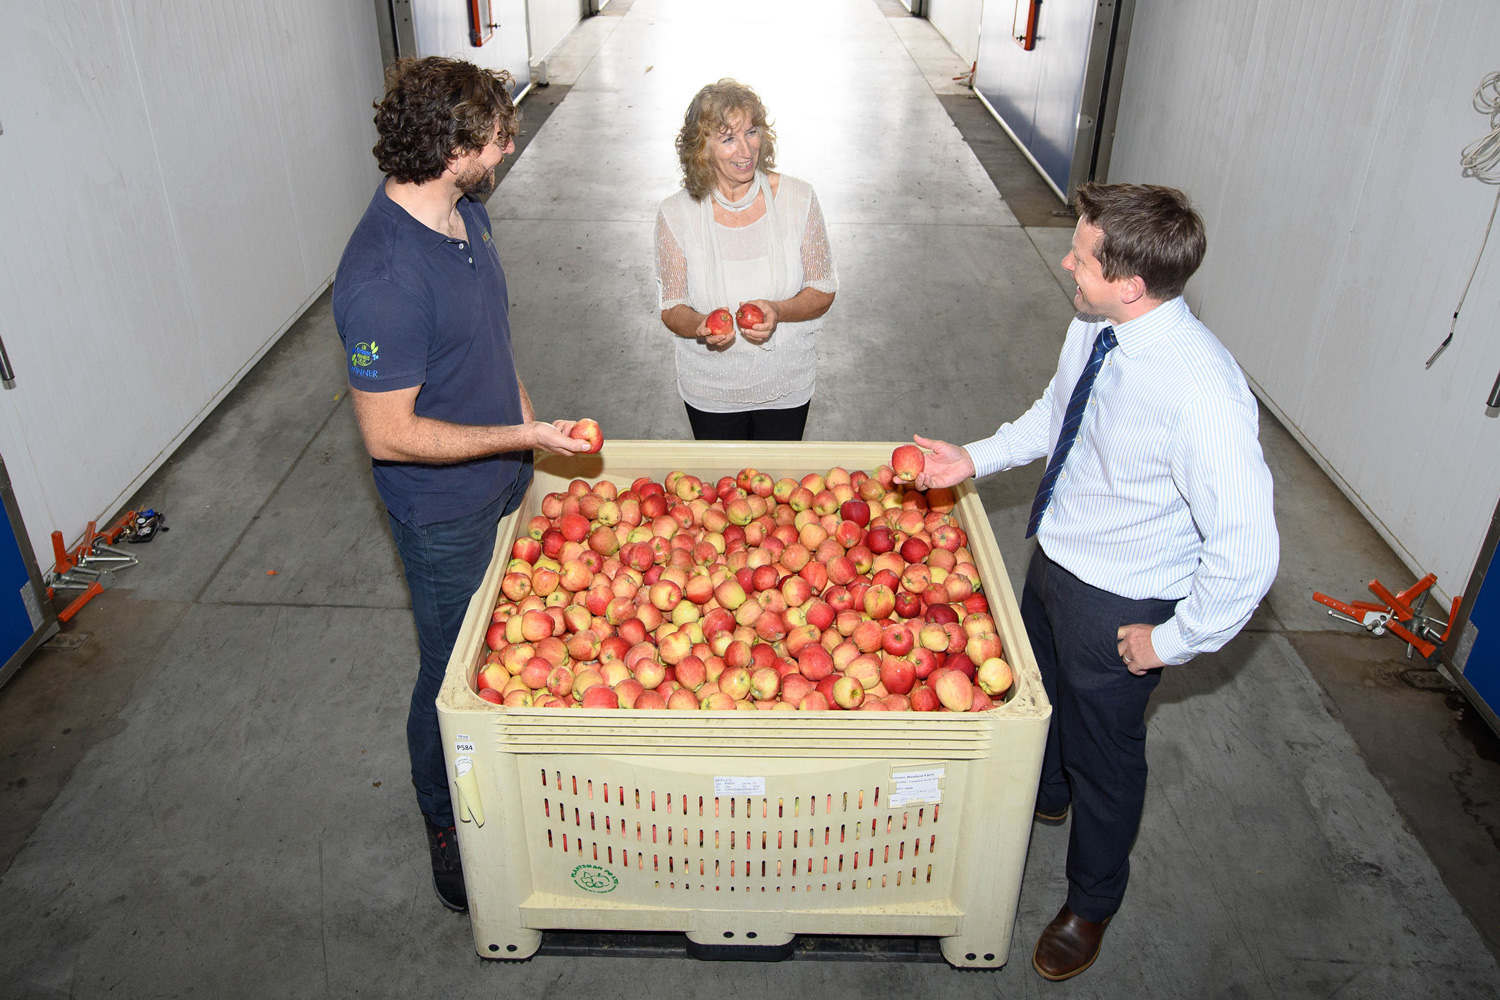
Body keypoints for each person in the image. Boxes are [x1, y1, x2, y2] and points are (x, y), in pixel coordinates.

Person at [911, 183, 1278, 981]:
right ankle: (1046, 786)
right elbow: (1058, 413)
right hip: (1056, 560)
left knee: (1108, 758)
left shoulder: (1202, 394)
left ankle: (1091, 902)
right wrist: (974, 457)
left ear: (1133, 283)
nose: (1067, 264)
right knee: (1035, 697)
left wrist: (1172, 641)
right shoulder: (1097, 324)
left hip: (1124, 602)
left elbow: (1248, 553)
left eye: (1081, 257)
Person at [332, 56, 593, 914]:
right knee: (450, 673)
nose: (511, 147)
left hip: (506, 482)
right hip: (443, 515)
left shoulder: (466, 217)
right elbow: (389, 433)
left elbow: (491, 339)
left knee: (513, 650)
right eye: (497, 137)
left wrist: (529, 434)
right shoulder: (382, 279)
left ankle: (511, 780)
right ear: (451, 147)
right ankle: (445, 818)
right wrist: (520, 436)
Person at [655, 79, 838, 441]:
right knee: (722, 493)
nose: (746, 149)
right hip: (710, 391)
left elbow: (823, 288)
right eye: (728, 139)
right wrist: (701, 326)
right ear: (701, 150)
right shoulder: (676, 214)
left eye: (752, 132)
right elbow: (672, 305)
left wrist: (779, 310)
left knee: (777, 492)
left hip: (785, 385)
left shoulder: (799, 199)